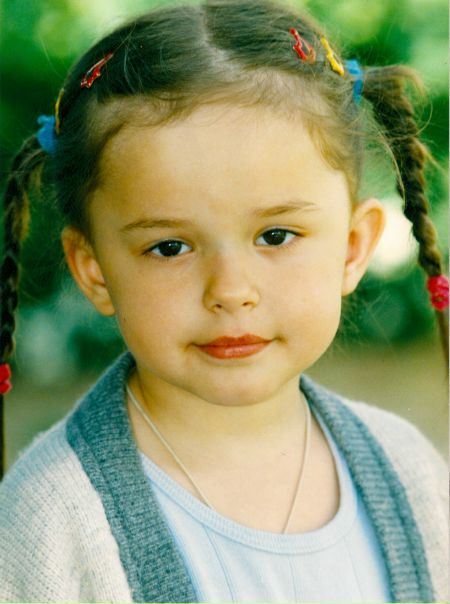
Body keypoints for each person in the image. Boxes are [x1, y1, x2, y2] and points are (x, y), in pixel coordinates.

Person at [0, 0, 448, 602]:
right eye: (170, 247)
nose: (230, 290)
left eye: (276, 236)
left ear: (351, 247)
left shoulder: (412, 475)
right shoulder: (49, 525)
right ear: (95, 270)